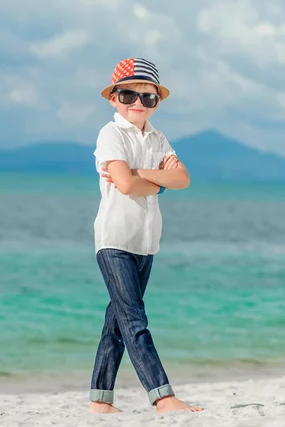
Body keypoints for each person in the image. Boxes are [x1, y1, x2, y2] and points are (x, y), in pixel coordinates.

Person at [89, 58, 203, 414]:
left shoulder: (158, 137)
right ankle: (163, 397)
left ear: (157, 102)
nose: (138, 102)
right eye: (128, 94)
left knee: (118, 322)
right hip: (114, 240)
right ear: (113, 98)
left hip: (146, 241)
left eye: (148, 97)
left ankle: (100, 401)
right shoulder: (111, 134)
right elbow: (123, 184)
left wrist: (140, 172)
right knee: (134, 319)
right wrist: (158, 179)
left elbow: (183, 179)